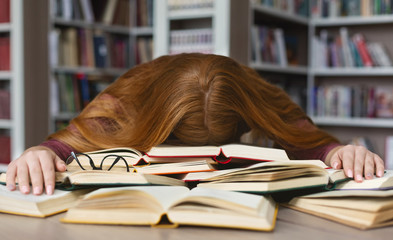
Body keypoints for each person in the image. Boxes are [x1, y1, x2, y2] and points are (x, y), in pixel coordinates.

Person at [6, 53, 384, 195]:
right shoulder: (131, 93)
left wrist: (339, 151)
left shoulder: (256, 93)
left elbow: (302, 137)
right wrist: (41, 152)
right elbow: (75, 140)